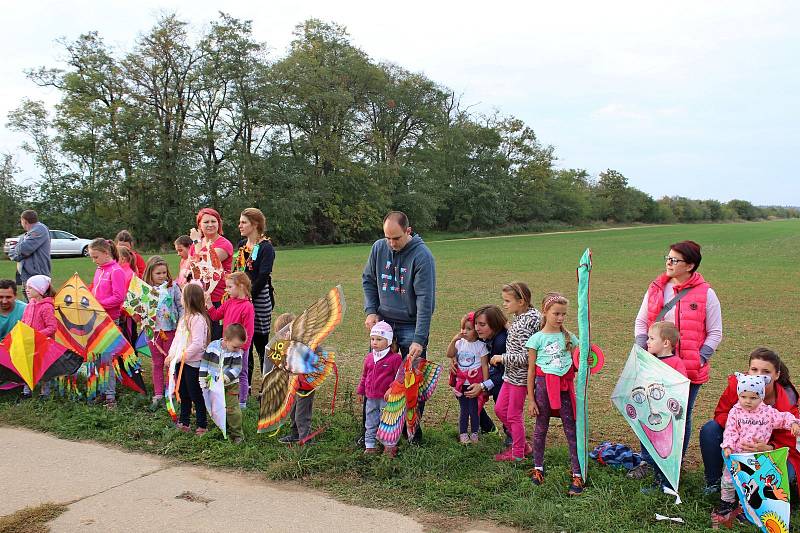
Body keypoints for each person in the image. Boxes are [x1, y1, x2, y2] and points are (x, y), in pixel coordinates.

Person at [634, 240, 722, 463]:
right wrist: (644, 352)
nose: (669, 263)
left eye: (675, 260)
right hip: (656, 366)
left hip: (689, 370)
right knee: (649, 410)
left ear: (690, 265)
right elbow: (642, 322)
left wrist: (700, 359)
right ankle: (647, 460)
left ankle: (674, 462)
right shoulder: (656, 288)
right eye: (668, 258)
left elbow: (715, 332)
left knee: (680, 415)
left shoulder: (706, 294)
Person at [362, 211, 436, 444]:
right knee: (376, 376)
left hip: (410, 325)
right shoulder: (378, 248)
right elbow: (369, 280)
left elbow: (426, 300)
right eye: (388, 238)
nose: (392, 244)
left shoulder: (422, 256)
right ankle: (372, 433)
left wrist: (419, 339)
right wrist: (371, 310)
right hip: (383, 323)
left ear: (408, 231)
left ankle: (410, 431)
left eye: (397, 238)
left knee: (411, 380)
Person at [699, 348, 799, 496]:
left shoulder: (787, 399)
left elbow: (790, 438)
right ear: (748, 371)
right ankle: (714, 481)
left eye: (766, 371)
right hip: (740, 441)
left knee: (785, 481)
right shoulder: (738, 386)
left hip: (768, 448)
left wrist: (769, 447)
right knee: (710, 430)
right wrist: (739, 429)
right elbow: (721, 413)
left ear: (777, 375)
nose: (759, 375)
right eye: (754, 369)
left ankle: (754, 489)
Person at [711, 372, 800, 524]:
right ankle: (726, 503)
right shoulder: (735, 412)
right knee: (728, 480)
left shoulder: (767, 413)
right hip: (737, 455)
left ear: (761, 396)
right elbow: (731, 431)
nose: (747, 401)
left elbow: (783, 417)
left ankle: (747, 509)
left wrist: (793, 423)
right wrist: (728, 446)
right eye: (743, 396)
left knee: (753, 484)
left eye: (753, 398)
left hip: (757, 457)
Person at [525, 292, 582, 495]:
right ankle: (538, 469)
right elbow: (531, 371)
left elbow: (581, 358)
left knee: (571, 429)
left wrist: (588, 359)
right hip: (542, 387)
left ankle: (577, 472)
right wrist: (531, 399)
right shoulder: (536, 339)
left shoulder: (570, 337)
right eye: (556, 313)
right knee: (541, 428)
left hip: (565, 387)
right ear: (545, 311)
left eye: (563, 314)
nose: (560, 318)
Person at [630, 321, 688, 491]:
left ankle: (668, 484)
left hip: (668, 417)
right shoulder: (650, 360)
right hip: (653, 415)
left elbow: (681, 388)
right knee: (655, 447)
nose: (647, 341)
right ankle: (658, 481)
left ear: (665, 343)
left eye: (651, 338)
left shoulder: (676, 363)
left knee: (667, 450)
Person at [491, 282, 541, 462]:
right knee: (499, 409)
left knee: (513, 414)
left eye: (507, 301)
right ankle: (523, 446)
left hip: (520, 378)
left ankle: (518, 452)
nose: (504, 304)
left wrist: (501, 358)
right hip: (510, 376)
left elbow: (528, 357)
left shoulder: (525, 324)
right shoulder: (526, 317)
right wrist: (509, 327)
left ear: (521, 302)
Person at [233, 208, 276, 390]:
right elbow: (240, 271)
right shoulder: (243, 244)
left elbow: (262, 276)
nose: (240, 225)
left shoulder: (266, 247)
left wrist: (249, 297)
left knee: (260, 344)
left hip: (258, 300)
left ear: (255, 224)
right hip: (243, 299)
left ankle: (268, 385)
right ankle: (246, 385)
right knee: (244, 343)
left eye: (244, 222)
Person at [165, 283, 210, 435]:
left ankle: (202, 424)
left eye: (182, 296)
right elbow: (177, 340)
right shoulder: (184, 318)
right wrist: (172, 356)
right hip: (180, 362)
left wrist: (180, 357)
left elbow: (198, 344)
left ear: (188, 299)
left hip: (192, 364)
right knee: (183, 393)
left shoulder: (197, 319)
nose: (180, 299)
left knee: (195, 394)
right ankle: (184, 422)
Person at [206, 272, 254, 409]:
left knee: (242, 372)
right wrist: (209, 304)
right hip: (226, 346)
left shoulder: (248, 307)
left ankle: (242, 402)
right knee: (225, 371)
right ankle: (227, 398)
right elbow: (215, 316)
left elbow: (249, 332)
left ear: (241, 286)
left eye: (229, 287)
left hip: (240, 348)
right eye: (226, 287)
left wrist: (243, 349)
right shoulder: (229, 302)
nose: (226, 290)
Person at [88, 238, 126, 408]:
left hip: (110, 320)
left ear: (105, 253)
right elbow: (95, 290)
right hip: (96, 319)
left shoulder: (116, 271)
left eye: (95, 256)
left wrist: (99, 304)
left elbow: (119, 297)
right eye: (92, 257)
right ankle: (103, 391)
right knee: (97, 358)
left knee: (107, 359)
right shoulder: (99, 270)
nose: (93, 260)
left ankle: (111, 397)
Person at [143, 256, 183, 409]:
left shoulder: (173, 287)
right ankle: (158, 393)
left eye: (164, 273)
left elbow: (181, 306)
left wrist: (181, 322)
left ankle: (170, 391)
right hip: (153, 332)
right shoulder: (145, 289)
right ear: (150, 273)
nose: (162, 276)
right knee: (157, 362)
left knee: (170, 362)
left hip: (171, 330)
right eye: (158, 273)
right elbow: (139, 309)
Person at [357, 321, 403, 453]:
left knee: (388, 422)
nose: (374, 342)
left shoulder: (395, 359)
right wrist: (361, 392)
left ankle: (389, 446)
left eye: (379, 339)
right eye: (372, 339)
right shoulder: (369, 358)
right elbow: (365, 376)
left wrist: (392, 389)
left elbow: (399, 378)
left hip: (386, 399)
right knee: (370, 422)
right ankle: (370, 445)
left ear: (388, 341)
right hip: (371, 398)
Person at [276, 312, 320, 445]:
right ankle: (295, 433)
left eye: (282, 334)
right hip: (294, 385)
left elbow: (313, 359)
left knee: (302, 413)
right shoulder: (287, 346)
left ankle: (305, 438)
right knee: (293, 410)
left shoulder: (304, 344)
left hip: (306, 385)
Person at [190, 208, 233, 340]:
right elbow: (192, 268)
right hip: (198, 298)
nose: (210, 225)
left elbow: (205, 265)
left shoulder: (224, 244)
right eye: (206, 222)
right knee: (200, 338)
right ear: (199, 225)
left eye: (214, 221)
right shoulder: (195, 245)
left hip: (217, 299)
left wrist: (196, 242)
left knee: (215, 337)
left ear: (219, 224)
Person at [446, 312, 489, 444]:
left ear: (476, 331)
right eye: (463, 328)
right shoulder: (460, 343)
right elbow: (449, 354)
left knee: (474, 410)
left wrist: (485, 385)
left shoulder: (481, 346)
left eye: (469, 329)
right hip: (461, 383)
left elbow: (484, 366)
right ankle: (463, 433)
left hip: (474, 384)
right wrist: (454, 340)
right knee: (464, 410)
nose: (464, 331)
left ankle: (475, 432)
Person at [199, 323, 246, 444]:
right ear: (226, 339)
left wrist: (225, 378)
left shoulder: (236, 352)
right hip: (214, 385)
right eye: (235, 346)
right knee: (216, 407)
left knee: (232, 409)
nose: (238, 350)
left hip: (230, 385)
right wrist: (203, 379)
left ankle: (237, 434)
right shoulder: (212, 347)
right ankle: (220, 428)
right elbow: (205, 363)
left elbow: (237, 369)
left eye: (240, 347)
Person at [20, 275, 57, 399]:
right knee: (27, 366)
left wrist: (36, 335)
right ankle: (26, 391)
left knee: (44, 368)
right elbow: (24, 321)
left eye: (30, 287)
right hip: (29, 343)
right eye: (26, 287)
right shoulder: (30, 305)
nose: (27, 290)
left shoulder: (46, 307)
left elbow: (52, 327)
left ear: (40, 290)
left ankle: (44, 393)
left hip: (43, 344)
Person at [8, 210, 51, 297]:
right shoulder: (27, 234)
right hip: (26, 275)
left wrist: (17, 250)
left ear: (24, 221)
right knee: (30, 305)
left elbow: (22, 249)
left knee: (39, 303)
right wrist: (17, 251)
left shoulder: (39, 229)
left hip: (36, 274)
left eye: (21, 221)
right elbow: (13, 252)